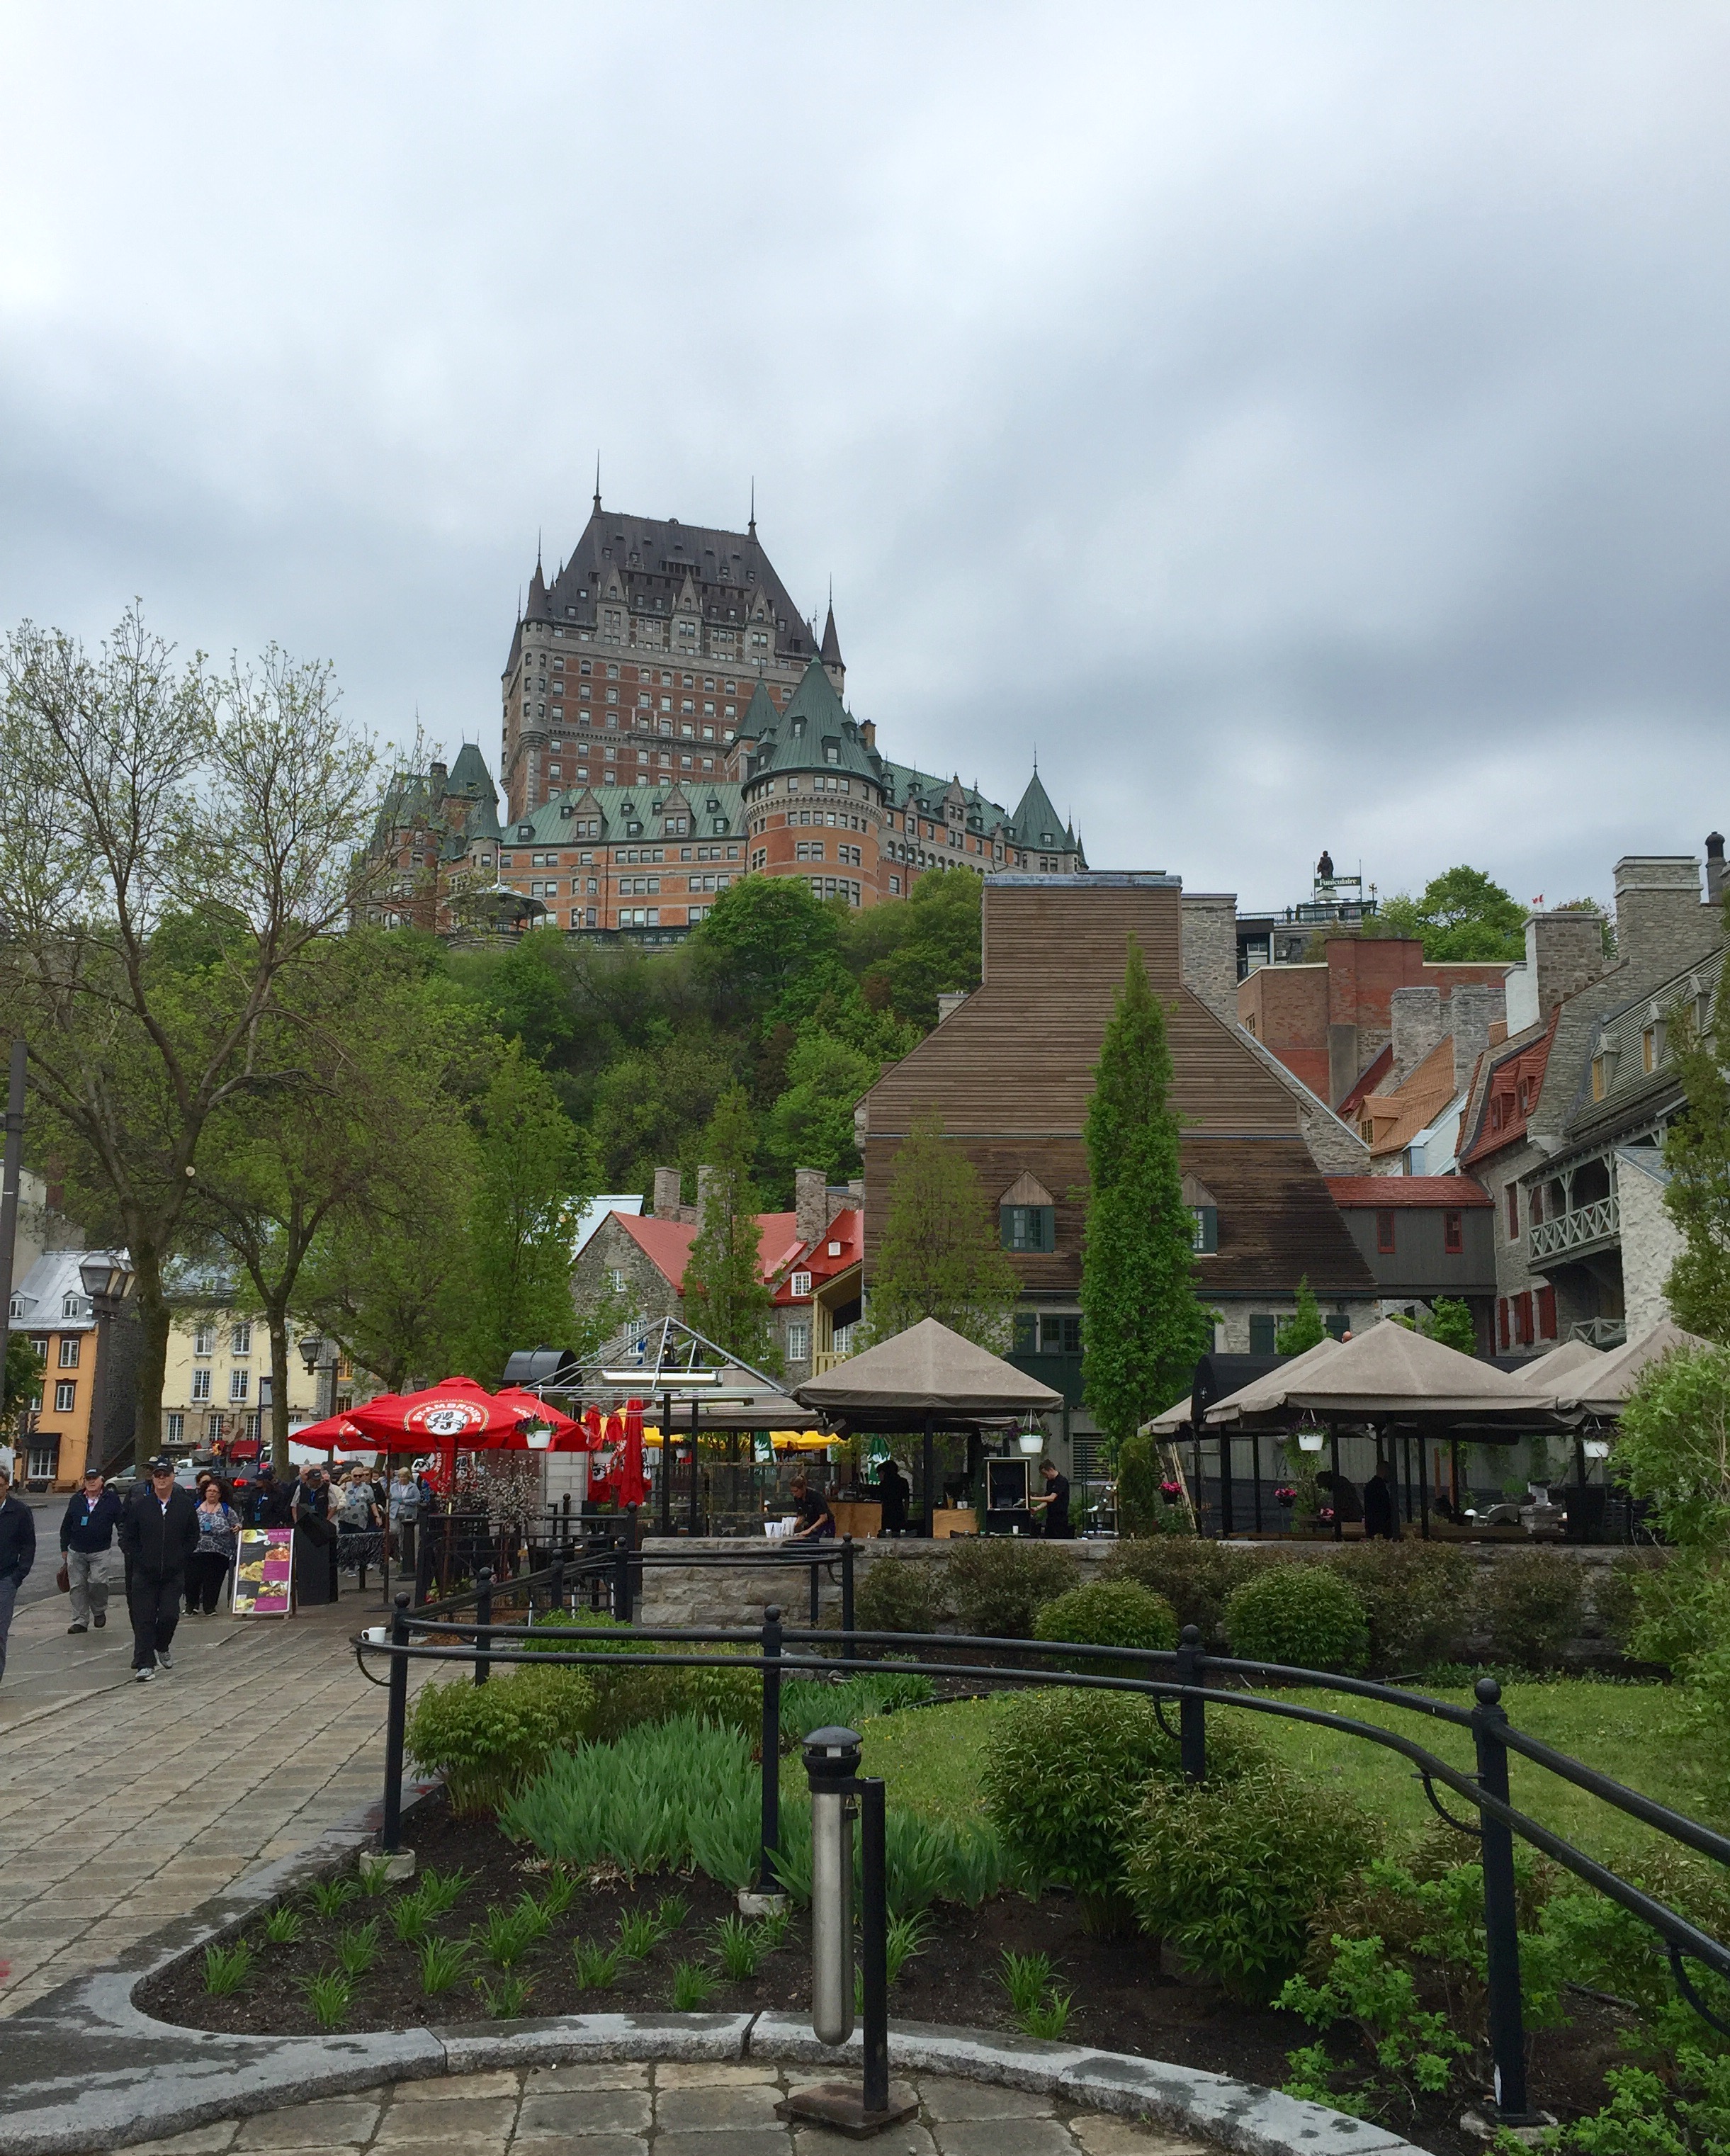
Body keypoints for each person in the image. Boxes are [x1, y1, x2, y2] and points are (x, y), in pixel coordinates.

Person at [117, 1457, 198, 1681]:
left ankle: (162, 1645)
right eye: (157, 1475)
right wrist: (136, 1557)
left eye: (165, 1475)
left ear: (173, 1477)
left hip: (172, 1573)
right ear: (153, 1479)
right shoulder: (141, 1505)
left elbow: (193, 1535)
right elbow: (128, 1536)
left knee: (169, 1615)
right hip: (144, 1572)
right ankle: (145, 1664)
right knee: (143, 1618)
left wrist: (182, 1556)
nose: (161, 1479)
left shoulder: (184, 1505)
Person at [60, 1466, 123, 1633]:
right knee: (77, 1586)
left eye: (94, 1479)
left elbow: (121, 1522)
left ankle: (99, 1610)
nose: (91, 1482)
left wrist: (126, 1541)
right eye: (88, 1479)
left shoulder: (111, 1499)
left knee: (98, 1582)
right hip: (76, 1550)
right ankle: (80, 1620)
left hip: (100, 1551)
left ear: (102, 1480)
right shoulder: (76, 1499)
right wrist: (64, 1548)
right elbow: (66, 1525)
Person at [0, 1462, 36, 1685]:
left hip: (5, 1579)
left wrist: (18, 1576)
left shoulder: (20, 1512)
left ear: (7, 1486)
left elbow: (28, 1546)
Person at [187, 1482, 241, 1614]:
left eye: (215, 1491)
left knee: (214, 1581)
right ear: (205, 1493)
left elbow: (237, 1523)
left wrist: (238, 1527)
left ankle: (210, 1607)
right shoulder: (195, 1508)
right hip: (196, 1551)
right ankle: (191, 1606)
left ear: (220, 1495)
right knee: (192, 1580)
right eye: (209, 1490)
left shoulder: (226, 1509)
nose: (212, 1493)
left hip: (219, 1552)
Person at [1029, 1458, 1073, 1538]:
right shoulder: (1050, 1482)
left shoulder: (1061, 1481)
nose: (1045, 1477)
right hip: (1050, 1517)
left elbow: (1052, 1498)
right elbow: (1047, 1500)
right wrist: (1037, 1508)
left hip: (1060, 1518)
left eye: (1045, 1474)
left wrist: (1032, 1498)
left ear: (1050, 1470)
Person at [389, 1466, 421, 1569]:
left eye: (404, 1477)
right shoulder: (394, 1486)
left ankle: (404, 1555)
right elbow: (391, 1498)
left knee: (405, 1535)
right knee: (394, 1531)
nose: (402, 1479)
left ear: (408, 1477)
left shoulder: (413, 1487)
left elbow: (417, 1499)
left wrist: (405, 1502)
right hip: (395, 1513)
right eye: (400, 1477)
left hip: (408, 1513)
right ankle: (395, 1551)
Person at [786, 1474, 836, 1541]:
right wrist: (792, 1526)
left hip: (825, 1526)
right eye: (792, 1492)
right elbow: (802, 1516)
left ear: (803, 1488)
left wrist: (809, 1530)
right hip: (812, 1524)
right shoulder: (797, 1498)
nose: (794, 1494)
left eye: (796, 1491)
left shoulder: (816, 1496)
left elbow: (824, 1517)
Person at [1363, 1462, 1401, 1541]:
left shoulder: (1370, 1486)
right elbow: (1384, 1509)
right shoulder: (1380, 1488)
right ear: (1385, 1471)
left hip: (1373, 1527)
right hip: (1381, 1527)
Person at [874, 1455, 908, 1537]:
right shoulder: (903, 1482)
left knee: (887, 1534)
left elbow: (880, 1498)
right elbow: (906, 1500)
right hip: (899, 1512)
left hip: (887, 1512)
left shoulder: (884, 1484)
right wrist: (906, 1514)